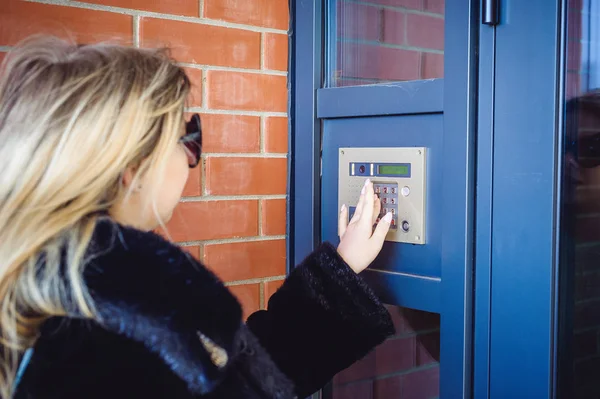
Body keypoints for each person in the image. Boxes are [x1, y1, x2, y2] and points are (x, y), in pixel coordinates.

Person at [0, 36, 396, 399]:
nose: (191, 158)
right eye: (186, 136)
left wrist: (342, 269)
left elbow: (238, 376)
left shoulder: (55, 292)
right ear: (133, 168)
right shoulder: (110, 332)